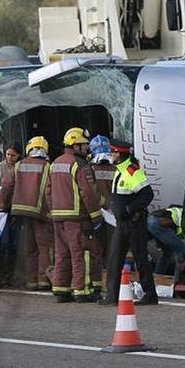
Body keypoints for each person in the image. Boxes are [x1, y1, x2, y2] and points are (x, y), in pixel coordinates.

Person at [48, 128, 103, 303]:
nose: (87, 148)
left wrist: (53, 210)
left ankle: (61, 289)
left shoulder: (56, 162)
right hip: (77, 218)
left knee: (62, 254)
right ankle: (82, 290)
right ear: (76, 145)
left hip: (58, 217)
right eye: (85, 145)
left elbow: (48, 192)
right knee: (81, 252)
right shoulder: (80, 165)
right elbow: (87, 192)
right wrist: (96, 216)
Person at [100, 140, 157, 306]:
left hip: (134, 223)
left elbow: (147, 194)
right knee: (114, 257)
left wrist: (129, 210)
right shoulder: (120, 170)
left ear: (121, 154)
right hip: (122, 223)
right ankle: (112, 296)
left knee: (141, 259)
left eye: (114, 152)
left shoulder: (133, 172)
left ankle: (150, 294)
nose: (112, 155)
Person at [9, 136, 53, 291]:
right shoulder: (48, 166)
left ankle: (31, 280)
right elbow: (49, 191)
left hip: (22, 211)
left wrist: (6, 206)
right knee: (44, 247)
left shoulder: (19, 165)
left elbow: (9, 185)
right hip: (41, 212)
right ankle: (43, 280)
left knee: (30, 247)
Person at [0, 141, 22, 286]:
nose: (10, 158)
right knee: (3, 242)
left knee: (14, 244)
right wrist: (6, 188)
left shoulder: (20, 167)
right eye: (8, 154)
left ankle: (10, 274)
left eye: (13, 155)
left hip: (14, 209)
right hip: (1, 209)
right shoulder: (0, 167)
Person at [88, 134, 114, 295]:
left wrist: (104, 205)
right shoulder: (116, 167)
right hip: (115, 214)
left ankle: (98, 282)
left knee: (97, 248)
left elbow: (92, 192)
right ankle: (111, 281)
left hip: (98, 213)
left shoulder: (90, 168)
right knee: (114, 249)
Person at [148, 205, 185, 284]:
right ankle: (178, 283)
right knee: (183, 250)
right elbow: (182, 236)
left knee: (167, 252)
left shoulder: (179, 211)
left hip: (152, 221)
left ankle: (156, 278)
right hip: (159, 224)